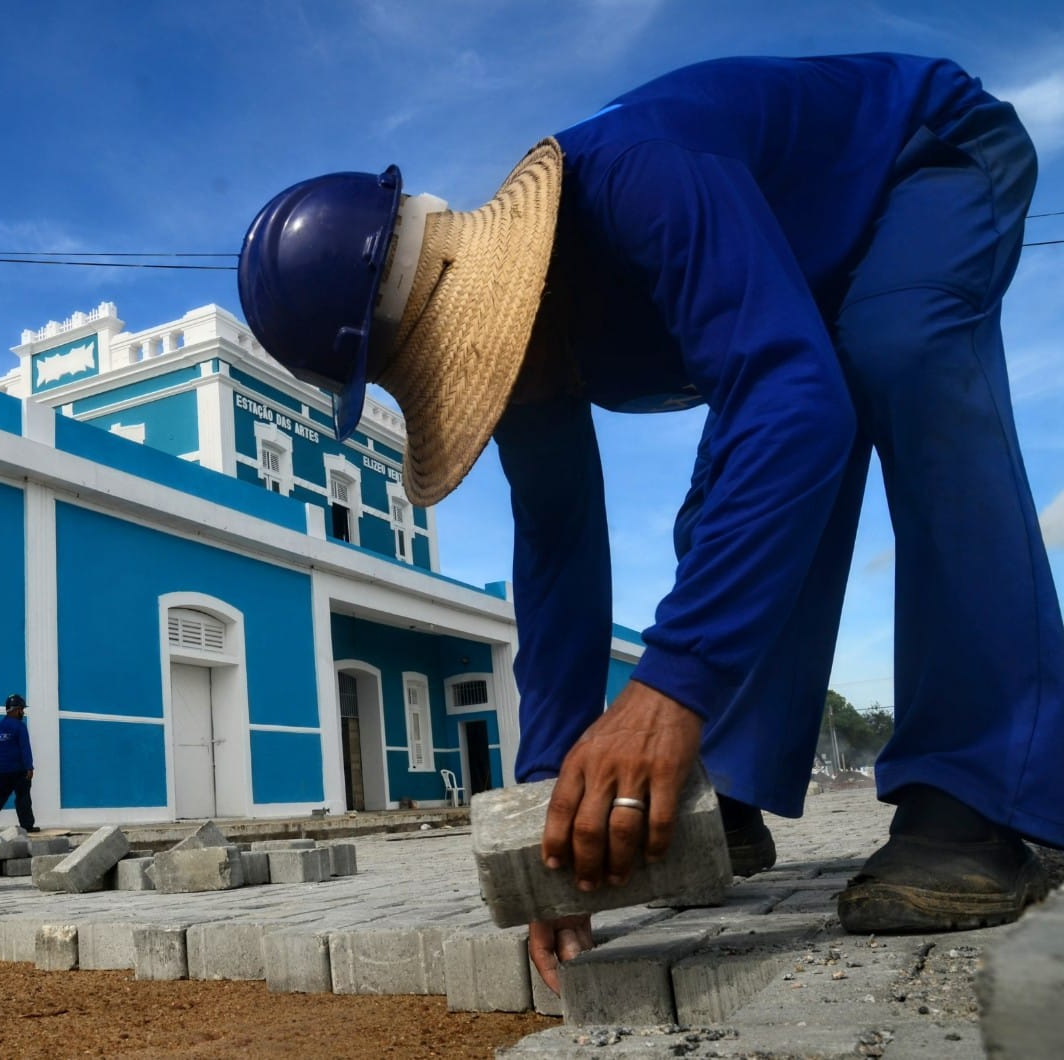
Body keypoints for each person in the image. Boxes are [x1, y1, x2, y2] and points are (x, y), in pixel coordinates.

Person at [236, 53, 1062, 993]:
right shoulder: (519, 364)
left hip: (927, 155)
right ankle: (724, 788)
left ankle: (982, 791)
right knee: (732, 496)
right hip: (805, 264)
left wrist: (670, 688)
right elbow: (557, 554)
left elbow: (794, 405)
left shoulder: (643, 179)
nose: (487, 375)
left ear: (502, 273)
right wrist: (554, 812)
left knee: (897, 352)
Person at [0, 693, 35, 833]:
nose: (23, 712)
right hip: (19, 770)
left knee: (1, 795)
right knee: (23, 797)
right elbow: (25, 748)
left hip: (2, 771)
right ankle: (27, 825)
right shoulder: (19, 727)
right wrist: (29, 767)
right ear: (16, 710)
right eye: (22, 709)